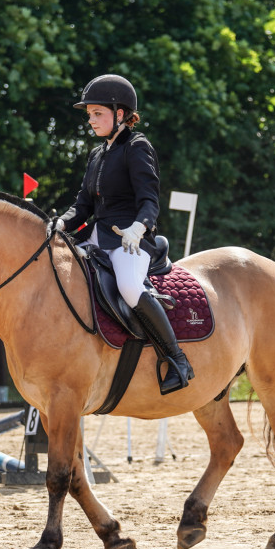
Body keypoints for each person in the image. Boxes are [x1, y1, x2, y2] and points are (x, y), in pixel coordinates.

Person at [58, 74, 194, 394]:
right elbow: (81, 206)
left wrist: (139, 226)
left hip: (130, 238)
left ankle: (177, 359)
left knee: (130, 287)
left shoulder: (137, 147)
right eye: (89, 115)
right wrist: (59, 224)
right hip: (96, 235)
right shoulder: (96, 155)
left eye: (97, 114)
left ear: (120, 114)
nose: (91, 121)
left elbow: (149, 200)